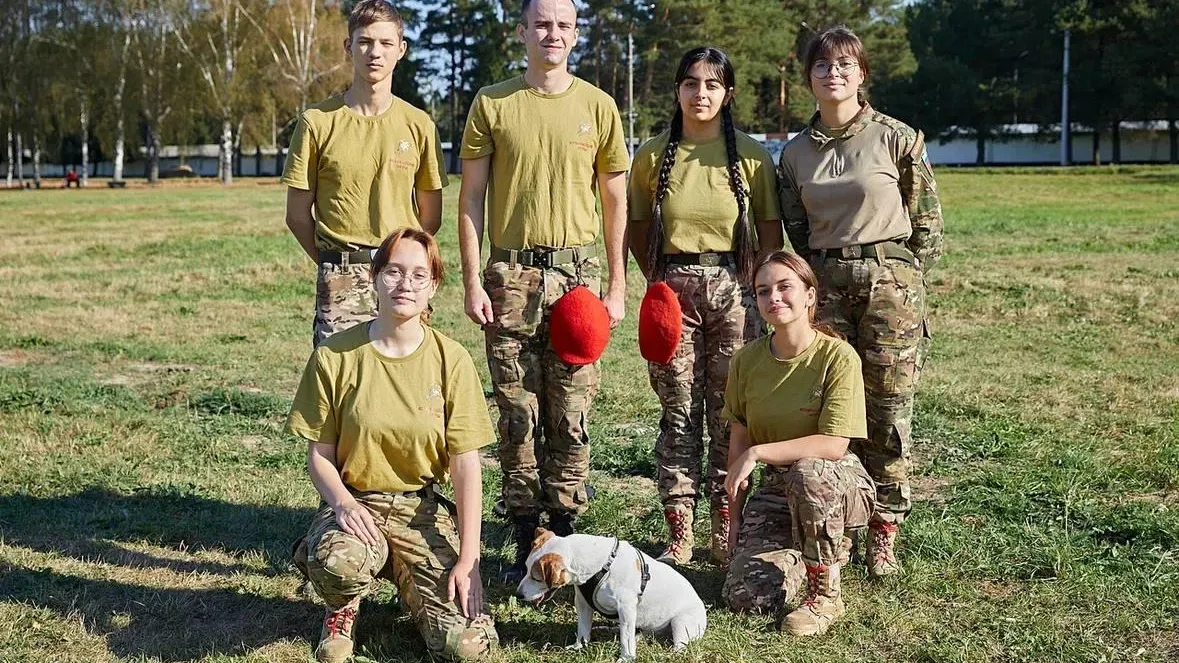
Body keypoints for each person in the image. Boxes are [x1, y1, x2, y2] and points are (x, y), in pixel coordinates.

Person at [457, 0, 630, 584]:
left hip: (577, 282)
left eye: (562, 25)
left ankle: (567, 528)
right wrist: (472, 278)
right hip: (509, 279)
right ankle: (524, 530)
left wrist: (616, 282)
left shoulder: (599, 107)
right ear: (522, 31)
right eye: (541, 24)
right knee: (515, 412)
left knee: (571, 410)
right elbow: (471, 199)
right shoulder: (493, 102)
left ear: (575, 35)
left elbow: (614, 202)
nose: (551, 34)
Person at [776, 26, 944, 577]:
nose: (833, 74)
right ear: (810, 78)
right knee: (832, 408)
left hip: (889, 287)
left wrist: (897, 276)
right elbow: (796, 228)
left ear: (862, 73)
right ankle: (838, 520)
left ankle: (885, 530)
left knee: (889, 409)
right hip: (824, 288)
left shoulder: (897, 138)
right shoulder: (795, 152)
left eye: (845, 64)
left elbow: (926, 225)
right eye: (822, 66)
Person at [286, 228, 499, 663]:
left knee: (468, 650)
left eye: (420, 275)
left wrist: (469, 560)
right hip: (356, 501)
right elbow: (319, 457)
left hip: (420, 511)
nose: (406, 284)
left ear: (434, 286)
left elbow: (466, 466)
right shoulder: (335, 355)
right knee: (338, 564)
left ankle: (407, 573)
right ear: (375, 276)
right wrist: (343, 505)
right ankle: (340, 606)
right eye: (395, 272)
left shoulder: (451, 359)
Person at [627, 46, 782, 566]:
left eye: (712, 84)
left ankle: (725, 523)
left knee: (729, 412)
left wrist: (755, 292)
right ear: (677, 90)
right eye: (691, 83)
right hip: (672, 292)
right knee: (677, 411)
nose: (701, 93)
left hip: (735, 291)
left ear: (728, 93)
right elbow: (638, 228)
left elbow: (768, 233)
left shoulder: (753, 157)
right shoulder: (651, 155)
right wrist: (658, 284)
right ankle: (679, 527)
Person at [721, 251, 875, 636]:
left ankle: (825, 594)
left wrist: (759, 452)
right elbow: (739, 439)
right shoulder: (746, 361)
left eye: (785, 287)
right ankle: (807, 551)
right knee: (745, 596)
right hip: (776, 489)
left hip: (834, 481)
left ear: (809, 295)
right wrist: (735, 520)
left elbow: (833, 445)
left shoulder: (837, 357)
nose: (774, 298)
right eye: (763, 291)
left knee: (809, 471)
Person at [282, 0, 447, 347]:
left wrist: (396, 263)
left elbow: (430, 216)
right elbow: (297, 215)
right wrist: (337, 263)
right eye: (365, 42)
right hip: (339, 277)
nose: (376, 53)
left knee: (403, 383)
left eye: (386, 43)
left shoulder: (418, 125)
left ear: (401, 50)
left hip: (400, 278)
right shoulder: (318, 122)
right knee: (340, 384)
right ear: (349, 46)